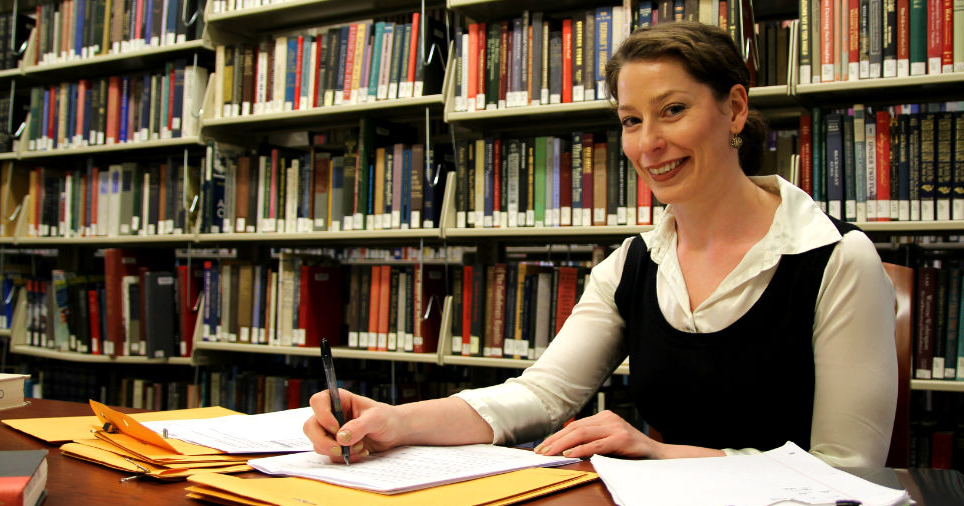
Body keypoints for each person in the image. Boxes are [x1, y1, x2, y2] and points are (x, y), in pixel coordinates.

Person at [304, 21, 897, 467]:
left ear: (735, 109)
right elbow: (540, 394)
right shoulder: (633, 265)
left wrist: (661, 455)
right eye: (632, 120)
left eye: (673, 111)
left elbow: (849, 472)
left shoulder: (836, 260)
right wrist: (392, 423)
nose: (649, 143)